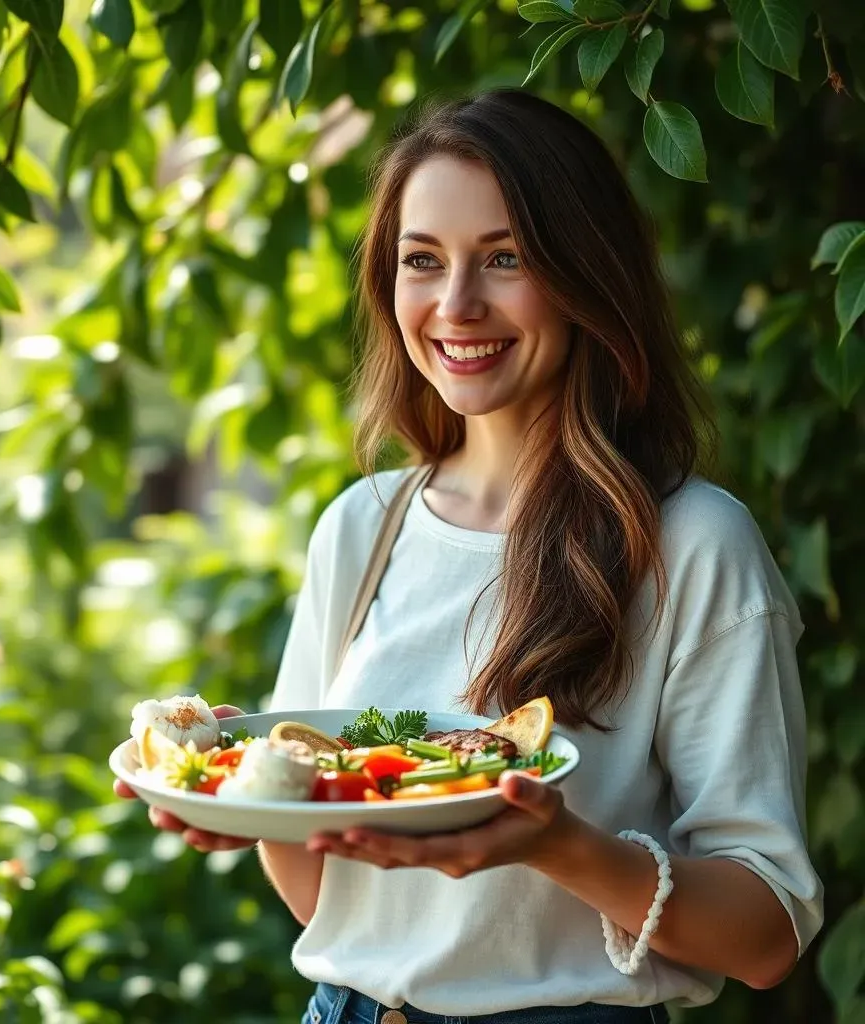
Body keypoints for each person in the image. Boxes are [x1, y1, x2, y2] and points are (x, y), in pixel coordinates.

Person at [116, 89, 823, 1024]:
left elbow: (768, 933)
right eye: (422, 260)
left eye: (505, 258)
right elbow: (329, 904)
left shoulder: (692, 543)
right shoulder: (362, 525)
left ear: (587, 277)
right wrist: (250, 796)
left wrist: (552, 844)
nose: (456, 304)